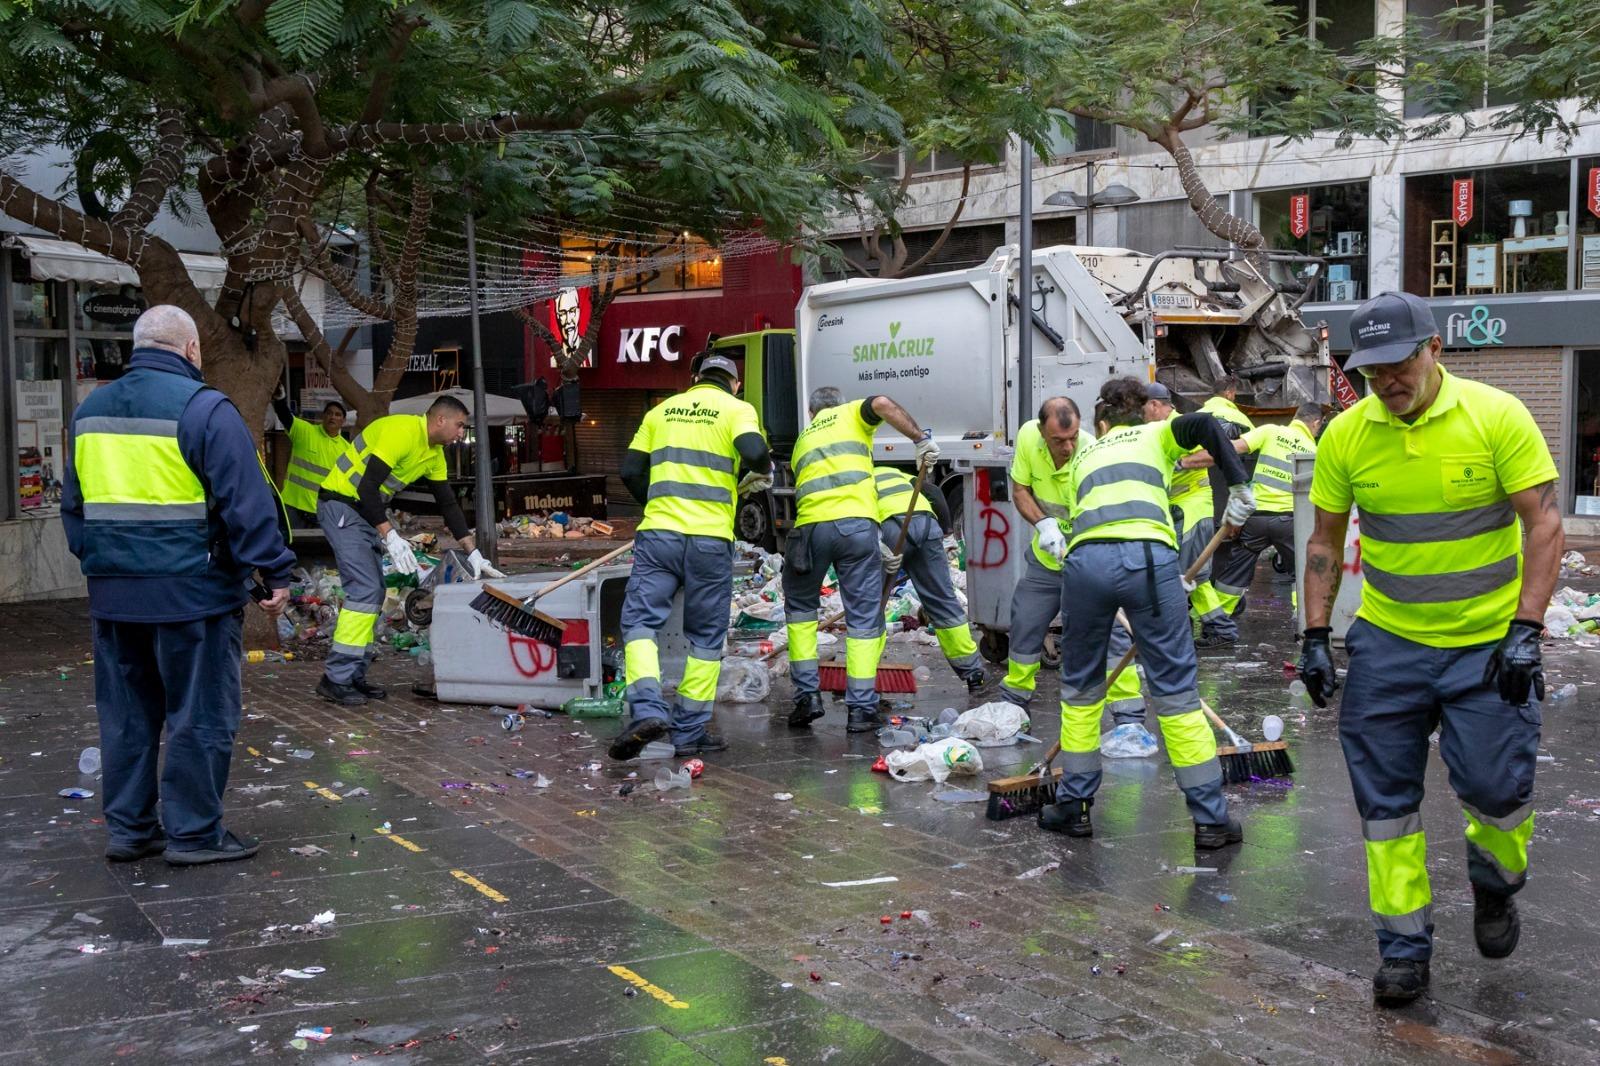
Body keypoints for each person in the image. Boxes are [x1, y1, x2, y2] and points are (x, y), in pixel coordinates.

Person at [1298, 292, 1562, 1007]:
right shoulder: (1348, 435)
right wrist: (1316, 634)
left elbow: (1544, 525)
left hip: (1487, 645)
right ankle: (1404, 949)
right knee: (1385, 805)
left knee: (1498, 792)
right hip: (1389, 645)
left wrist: (1525, 630)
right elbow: (1323, 540)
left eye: (1400, 362)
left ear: (1434, 349)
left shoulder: (1496, 417)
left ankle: (1496, 882)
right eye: (1372, 368)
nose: (1387, 380)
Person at [61, 305, 295, 866]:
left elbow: (74, 509)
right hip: (194, 596)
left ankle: (130, 830)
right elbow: (247, 501)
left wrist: (106, 562)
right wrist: (273, 571)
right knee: (199, 716)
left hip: (114, 597)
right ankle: (193, 833)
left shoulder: (90, 412)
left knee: (125, 718)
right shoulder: (204, 408)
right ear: (192, 350)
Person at [1038, 377, 1255, 845]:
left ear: (1102, 422)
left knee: (1080, 687)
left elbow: (1087, 518)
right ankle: (1211, 820)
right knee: (1175, 690)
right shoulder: (1158, 433)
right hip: (1149, 559)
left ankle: (1074, 807)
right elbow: (1206, 425)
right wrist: (1237, 486)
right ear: (1145, 413)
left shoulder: (1083, 457)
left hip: (1085, 562)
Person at [607, 353, 773, 759]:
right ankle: (689, 732)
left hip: (659, 537)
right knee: (705, 636)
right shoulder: (737, 409)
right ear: (734, 383)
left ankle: (646, 709)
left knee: (640, 624)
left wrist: (658, 505)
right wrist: (757, 469)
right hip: (709, 541)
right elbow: (754, 453)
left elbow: (630, 471)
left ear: (695, 377)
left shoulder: (660, 411)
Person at [316, 394, 504, 706]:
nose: (461, 433)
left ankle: (351, 676)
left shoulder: (434, 454)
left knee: (373, 594)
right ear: (440, 420)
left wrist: (473, 552)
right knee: (364, 591)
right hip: (340, 505)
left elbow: (448, 504)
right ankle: (336, 679)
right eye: (459, 425)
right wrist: (389, 534)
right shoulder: (401, 432)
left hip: (361, 512)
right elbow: (365, 488)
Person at [785, 387, 936, 733]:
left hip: (809, 529)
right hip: (856, 528)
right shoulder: (852, 413)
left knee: (801, 613)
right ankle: (861, 709)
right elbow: (883, 402)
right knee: (863, 617)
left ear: (811, 413)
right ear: (838, 406)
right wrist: (919, 439)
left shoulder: (803, 438)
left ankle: (806, 697)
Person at [1002, 398, 1149, 747]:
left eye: (1072, 438)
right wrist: (1043, 524)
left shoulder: (1091, 453)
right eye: (1058, 441)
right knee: (1024, 621)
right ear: (1041, 432)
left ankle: (1128, 715)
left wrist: (1084, 550)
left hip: (1088, 559)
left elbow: (1103, 515)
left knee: (1111, 630)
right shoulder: (1027, 437)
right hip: (1047, 558)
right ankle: (1014, 703)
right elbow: (1020, 490)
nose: (1067, 447)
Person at [1210, 403, 1324, 623]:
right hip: (1290, 522)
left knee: (1235, 572)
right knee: (1300, 571)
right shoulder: (1313, 451)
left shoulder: (1271, 431)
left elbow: (1233, 447)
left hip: (1256, 520)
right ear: (1316, 423)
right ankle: (1302, 621)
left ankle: (1217, 622)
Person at [872, 466, 983, 690]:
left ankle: (865, 674)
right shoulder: (897, 473)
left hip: (890, 528)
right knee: (942, 600)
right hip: (926, 523)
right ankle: (972, 671)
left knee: (871, 607)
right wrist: (944, 529)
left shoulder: (857, 479)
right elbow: (933, 492)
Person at [1144, 383, 1236, 648]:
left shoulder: (1179, 425)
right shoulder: (1160, 429)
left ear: (1155, 405)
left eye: (1145, 410)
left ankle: (1171, 635)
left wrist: (1182, 462)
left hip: (1192, 507)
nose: (1143, 417)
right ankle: (1220, 627)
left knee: (1182, 573)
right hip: (1182, 508)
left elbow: (1217, 450)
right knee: (1195, 574)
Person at [1198, 375, 1254, 644]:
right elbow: (1248, 465)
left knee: (1196, 556)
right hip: (1228, 501)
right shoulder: (1242, 421)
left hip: (1197, 503)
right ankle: (1219, 607)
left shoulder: (1195, 417)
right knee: (1226, 552)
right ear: (1231, 394)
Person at [271, 389, 350, 526]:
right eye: (329, 413)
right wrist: (280, 399)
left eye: (337, 415)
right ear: (323, 416)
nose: (332, 417)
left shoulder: (347, 450)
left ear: (343, 421)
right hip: (293, 506)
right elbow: (285, 416)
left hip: (322, 513)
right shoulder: (306, 432)